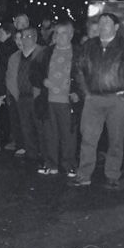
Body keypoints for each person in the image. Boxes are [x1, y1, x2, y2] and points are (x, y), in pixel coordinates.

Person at [70, 13, 124, 189]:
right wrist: (86, 93)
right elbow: (78, 69)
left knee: (116, 140)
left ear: (116, 27)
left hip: (117, 100)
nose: (103, 24)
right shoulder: (89, 45)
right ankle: (84, 175)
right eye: (101, 21)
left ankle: (112, 174)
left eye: (107, 22)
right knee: (88, 138)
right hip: (93, 100)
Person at [36, 22, 80, 176]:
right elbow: (34, 72)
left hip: (67, 101)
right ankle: (50, 163)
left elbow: (85, 76)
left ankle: (69, 164)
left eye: (63, 33)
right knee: (50, 134)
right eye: (57, 33)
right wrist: (42, 81)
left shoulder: (78, 53)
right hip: (49, 100)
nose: (59, 36)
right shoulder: (46, 52)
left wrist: (77, 91)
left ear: (71, 35)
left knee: (69, 135)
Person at [14, 28, 46, 165]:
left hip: (38, 97)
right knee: (26, 127)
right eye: (23, 36)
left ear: (35, 38)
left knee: (41, 127)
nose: (25, 39)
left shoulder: (43, 54)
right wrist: (16, 95)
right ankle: (31, 154)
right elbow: (10, 77)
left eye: (29, 36)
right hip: (22, 97)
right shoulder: (15, 56)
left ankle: (45, 155)